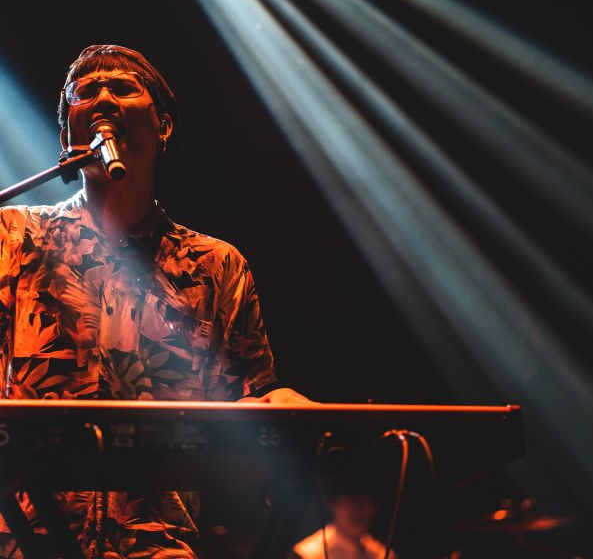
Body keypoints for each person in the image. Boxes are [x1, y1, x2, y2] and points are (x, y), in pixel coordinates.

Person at [0, 44, 309, 558]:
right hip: (22, 539)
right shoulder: (12, 237)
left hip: (156, 542)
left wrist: (291, 409)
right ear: (67, 138)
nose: (103, 98)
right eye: (84, 92)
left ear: (163, 126)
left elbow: (251, 396)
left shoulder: (214, 264)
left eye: (122, 87)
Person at [290, 493, 397, 559]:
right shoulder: (307, 554)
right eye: (352, 505)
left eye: (364, 504)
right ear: (334, 507)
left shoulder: (383, 554)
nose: (358, 513)